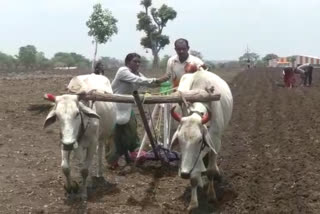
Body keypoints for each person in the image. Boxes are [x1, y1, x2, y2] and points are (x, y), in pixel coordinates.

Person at [107, 53, 164, 168]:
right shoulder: (123, 71)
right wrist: (156, 80)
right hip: (114, 106)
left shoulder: (138, 74)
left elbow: (146, 82)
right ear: (128, 62)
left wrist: (161, 82)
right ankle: (113, 161)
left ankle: (133, 153)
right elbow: (139, 80)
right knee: (115, 135)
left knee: (131, 131)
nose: (137, 64)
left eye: (139, 62)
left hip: (127, 107)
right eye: (135, 61)